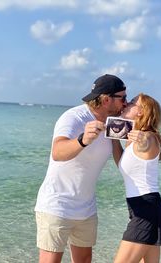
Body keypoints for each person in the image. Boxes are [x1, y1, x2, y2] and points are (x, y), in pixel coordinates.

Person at [34, 74, 128, 263]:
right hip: (57, 205)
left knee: (84, 260)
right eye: (123, 98)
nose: (125, 103)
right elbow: (57, 152)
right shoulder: (74, 117)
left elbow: (122, 165)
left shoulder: (114, 123)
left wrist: (140, 142)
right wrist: (82, 140)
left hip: (86, 208)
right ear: (106, 99)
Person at [111, 93, 161, 263]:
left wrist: (142, 139)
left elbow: (147, 142)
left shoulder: (149, 137)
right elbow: (122, 165)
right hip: (141, 209)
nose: (126, 104)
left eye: (132, 102)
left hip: (146, 210)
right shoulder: (131, 140)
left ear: (141, 112)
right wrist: (113, 140)